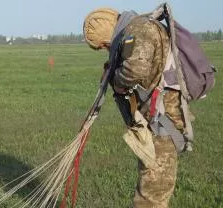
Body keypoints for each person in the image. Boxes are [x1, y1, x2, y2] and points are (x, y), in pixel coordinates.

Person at [83, 7, 187, 208]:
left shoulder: (139, 29)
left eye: (104, 45)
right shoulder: (137, 28)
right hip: (157, 123)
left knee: (150, 197)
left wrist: (114, 77)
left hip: (162, 125)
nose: (107, 49)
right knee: (151, 190)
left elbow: (135, 70)